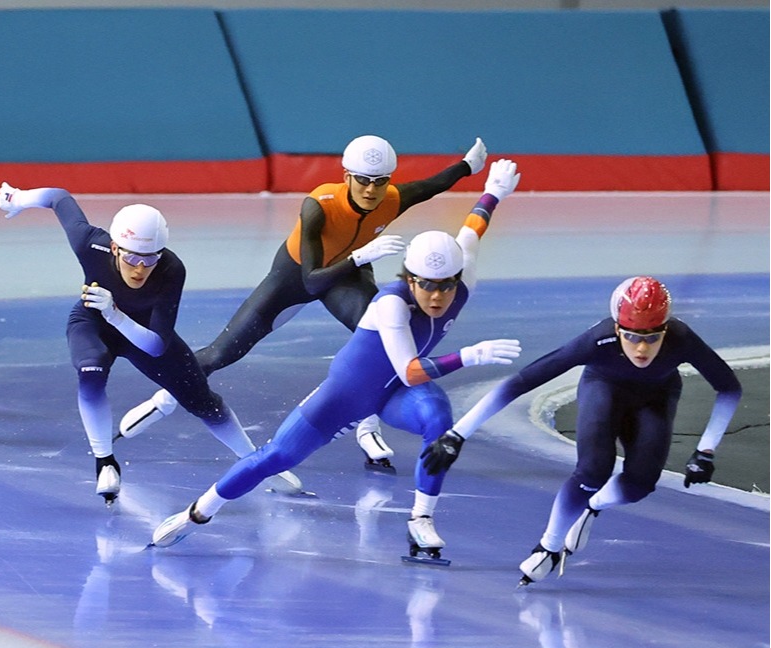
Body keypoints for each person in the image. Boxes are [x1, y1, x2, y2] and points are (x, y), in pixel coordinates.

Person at [149, 160, 524, 560]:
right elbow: (411, 371)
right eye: (426, 286)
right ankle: (197, 513)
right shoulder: (392, 304)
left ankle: (421, 519)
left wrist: (494, 192)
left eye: (446, 287)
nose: (437, 297)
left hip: (394, 394)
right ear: (408, 278)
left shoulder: (462, 275)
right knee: (276, 457)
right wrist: (470, 355)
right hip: (346, 396)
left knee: (438, 419)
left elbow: (473, 228)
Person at [118, 135, 488, 474]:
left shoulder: (392, 197)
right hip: (296, 277)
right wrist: (362, 257)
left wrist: (468, 166)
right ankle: (165, 397)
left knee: (384, 350)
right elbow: (312, 280)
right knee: (221, 353)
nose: (372, 189)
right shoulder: (319, 205)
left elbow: (430, 187)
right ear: (347, 177)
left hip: (346, 279)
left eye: (381, 181)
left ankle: (367, 426)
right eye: (363, 180)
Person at [419, 276, 742, 585]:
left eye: (652, 337)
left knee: (640, 484)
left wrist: (706, 450)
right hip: (604, 388)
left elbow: (729, 388)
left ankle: (593, 507)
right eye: (630, 336)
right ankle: (548, 545)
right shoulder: (596, 341)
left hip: (655, 397)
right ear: (617, 328)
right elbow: (521, 383)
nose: (641, 349)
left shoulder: (681, 338)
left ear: (665, 329)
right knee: (592, 469)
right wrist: (456, 434)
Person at [0, 183, 302, 504]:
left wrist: (114, 313)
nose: (141, 267)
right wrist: (18, 199)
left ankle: (255, 463)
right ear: (114, 248)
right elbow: (58, 198)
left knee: (203, 402)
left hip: (140, 331)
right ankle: (105, 461)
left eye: (150, 258)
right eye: (131, 257)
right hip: (93, 323)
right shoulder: (90, 245)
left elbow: (156, 346)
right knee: (91, 372)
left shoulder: (171, 269)